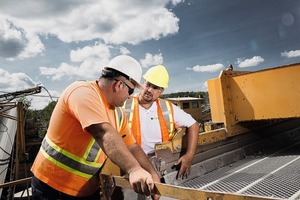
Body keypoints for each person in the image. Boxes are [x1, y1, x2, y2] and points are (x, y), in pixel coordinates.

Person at [30, 55, 160, 200]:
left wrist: (152, 174)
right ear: (119, 85)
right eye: (131, 91)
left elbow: (132, 146)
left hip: (86, 190)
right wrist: (134, 169)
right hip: (53, 186)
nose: (130, 97)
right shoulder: (81, 92)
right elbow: (103, 133)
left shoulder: (118, 113)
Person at [123, 65, 200, 179]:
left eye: (155, 87)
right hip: (131, 162)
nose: (149, 90)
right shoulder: (124, 104)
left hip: (160, 164)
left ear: (161, 91)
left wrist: (189, 156)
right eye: (148, 84)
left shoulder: (167, 107)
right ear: (142, 84)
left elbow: (194, 125)